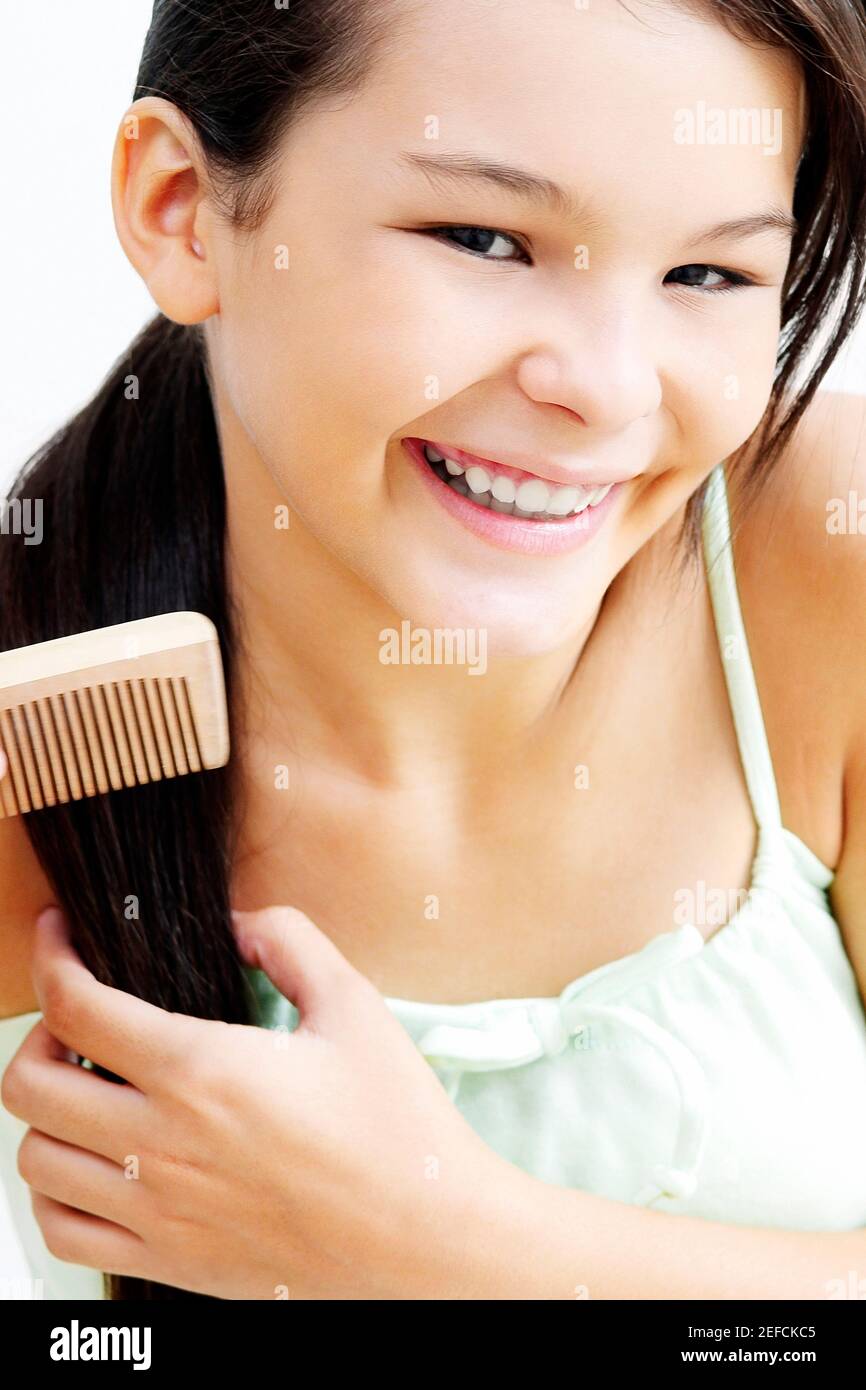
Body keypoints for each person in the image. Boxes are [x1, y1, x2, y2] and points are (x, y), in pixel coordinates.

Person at [1, 0, 866, 1301]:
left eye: (708, 274)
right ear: (184, 208)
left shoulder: (824, 569)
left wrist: (432, 1249)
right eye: (484, 239)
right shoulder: (42, 743)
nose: (608, 386)